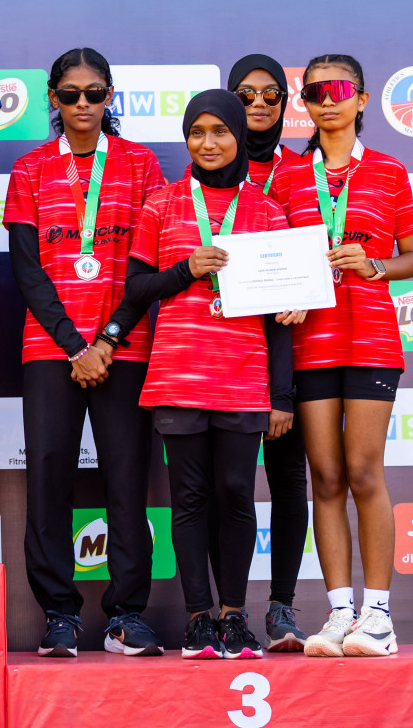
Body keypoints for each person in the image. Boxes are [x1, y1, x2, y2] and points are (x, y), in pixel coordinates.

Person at [120, 90, 297, 660]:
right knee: (190, 498)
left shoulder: (268, 210)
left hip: (244, 378)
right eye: (196, 132)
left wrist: (283, 394)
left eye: (220, 131)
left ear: (240, 137)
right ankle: (199, 619)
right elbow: (137, 288)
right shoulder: (163, 204)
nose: (209, 142)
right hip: (178, 374)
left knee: (237, 498)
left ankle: (235, 617)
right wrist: (185, 268)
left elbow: (280, 320)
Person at [6, 48, 166, 656]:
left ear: (110, 97)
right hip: (52, 348)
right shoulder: (29, 171)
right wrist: (76, 345)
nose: (81, 105)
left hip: (122, 346)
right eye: (70, 94)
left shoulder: (143, 166)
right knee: (48, 475)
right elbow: (27, 268)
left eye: (94, 94)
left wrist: (106, 339)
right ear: (52, 97)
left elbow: (146, 265)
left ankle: (127, 616)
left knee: (127, 478)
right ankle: (59, 616)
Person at [272, 55, 413, 657]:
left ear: (361, 99)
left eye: (339, 90)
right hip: (311, 344)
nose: (326, 100)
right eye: (314, 91)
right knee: (326, 477)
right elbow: (276, 261)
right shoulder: (285, 178)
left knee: (364, 472)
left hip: (370, 339)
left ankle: (379, 617)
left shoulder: (388, 171)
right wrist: (285, 297)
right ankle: (340, 613)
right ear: (303, 103)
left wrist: (376, 264)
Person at [224, 54, 308, 651]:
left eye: (270, 95)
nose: (258, 104)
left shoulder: (305, 173)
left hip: (292, 350)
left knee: (286, 481)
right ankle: (223, 613)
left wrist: (303, 289)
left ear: (285, 104)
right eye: (245, 94)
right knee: (226, 488)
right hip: (224, 356)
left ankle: (282, 608)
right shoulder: (208, 169)